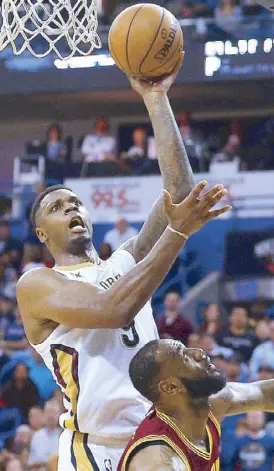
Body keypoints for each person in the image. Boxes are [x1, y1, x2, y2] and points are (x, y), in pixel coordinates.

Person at [16, 58, 231, 470]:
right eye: (57, 208)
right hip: (94, 448)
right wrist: (177, 233)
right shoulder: (38, 283)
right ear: (42, 235)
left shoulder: (124, 260)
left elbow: (179, 192)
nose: (71, 209)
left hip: (157, 437)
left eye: (75, 203)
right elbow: (113, 310)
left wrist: (155, 97)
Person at [118, 339, 274, 471]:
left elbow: (265, 394)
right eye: (186, 357)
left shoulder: (212, 402)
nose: (199, 352)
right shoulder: (157, 460)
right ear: (171, 387)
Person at [28, 400, 61, 466]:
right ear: (44, 414)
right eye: (48, 412)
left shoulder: (65, 436)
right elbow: (32, 461)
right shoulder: (36, 436)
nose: (51, 416)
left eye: (54, 412)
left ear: (59, 415)